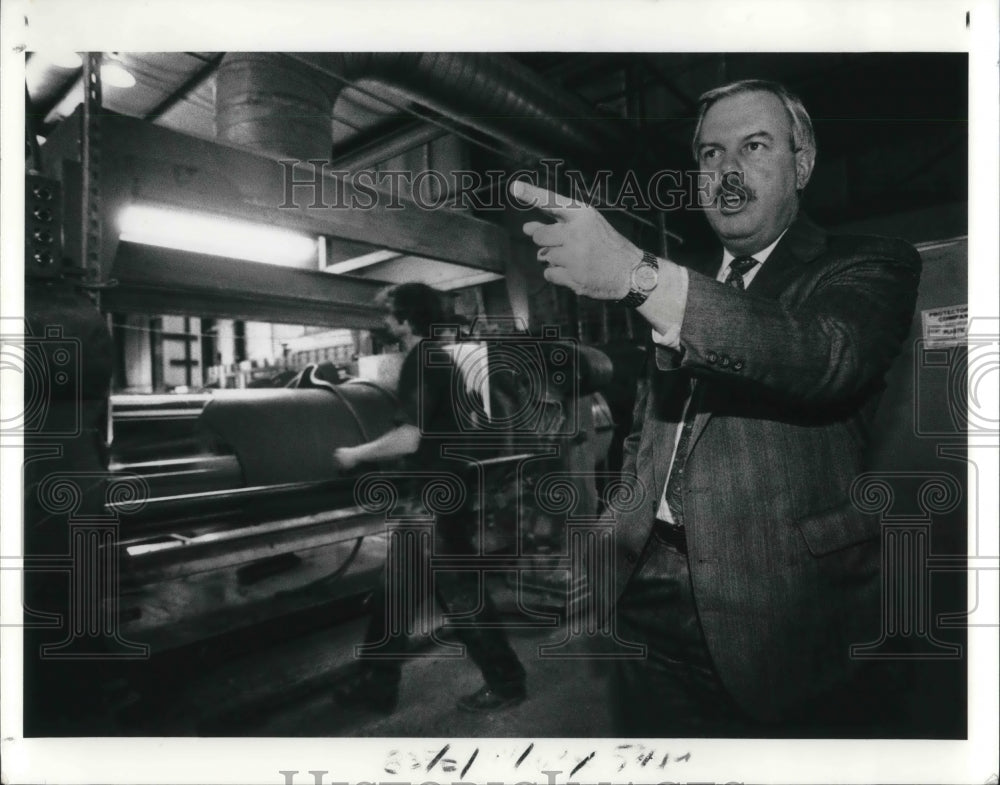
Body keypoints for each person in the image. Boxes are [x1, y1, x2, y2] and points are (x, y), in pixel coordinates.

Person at [511, 79, 921, 736]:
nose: (726, 170)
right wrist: (610, 539)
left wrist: (638, 273)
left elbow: (823, 356)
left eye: (753, 146)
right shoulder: (690, 287)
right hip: (645, 589)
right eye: (709, 154)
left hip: (780, 608)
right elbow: (659, 434)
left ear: (803, 163)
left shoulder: (866, 265)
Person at [331, 282, 527, 714]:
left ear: (405, 318)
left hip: (434, 504)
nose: (385, 322)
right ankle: (376, 686)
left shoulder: (422, 360)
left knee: (462, 598)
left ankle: (508, 682)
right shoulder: (443, 359)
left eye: (390, 315)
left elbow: (410, 436)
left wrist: (354, 454)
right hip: (434, 497)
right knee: (393, 598)